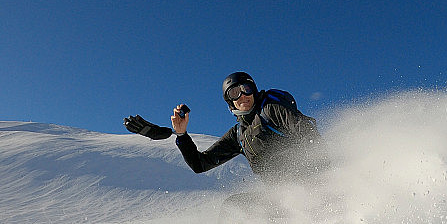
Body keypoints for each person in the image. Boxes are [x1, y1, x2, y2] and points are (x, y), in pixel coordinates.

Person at [124, 72, 322, 181]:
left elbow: (306, 131)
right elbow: (200, 165)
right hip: (282, 196)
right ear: (230, 101)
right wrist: (182, 135)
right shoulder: (239, 135)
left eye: (246, 89)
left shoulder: (270, 109)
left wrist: (317, 171)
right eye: (235, 92)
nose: (242, 95)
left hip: (310, 181)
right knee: (234, 208)